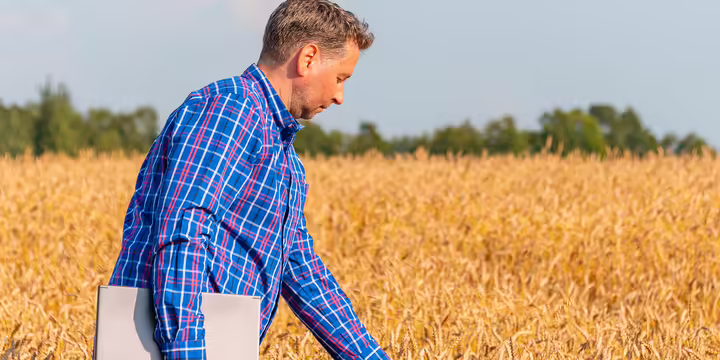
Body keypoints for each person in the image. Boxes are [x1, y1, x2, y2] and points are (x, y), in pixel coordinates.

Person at [107, 1, 390, 359]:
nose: (340, 96)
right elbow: (184, 232)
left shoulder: (281, 151)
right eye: (340, 78)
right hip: (171, 348)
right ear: (308, 58)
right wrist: (189, 351)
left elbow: (303, 271)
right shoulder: (231, 109)